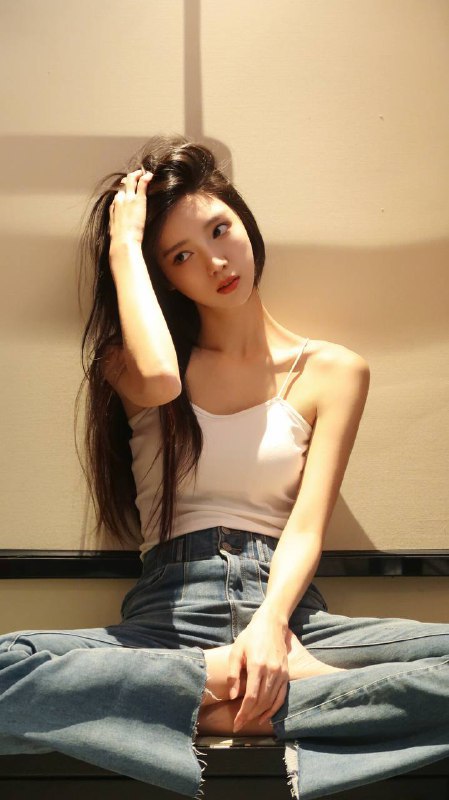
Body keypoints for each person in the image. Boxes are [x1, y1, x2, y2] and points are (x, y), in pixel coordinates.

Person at [0, 134, 448, 800]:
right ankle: (237, 689)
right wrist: (123, 246)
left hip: (293, 622)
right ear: (162, 277)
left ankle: (220, 703)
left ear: (245, 222)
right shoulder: (132, 364)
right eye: (180, 256)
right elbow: (161, 379)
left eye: (219, 230)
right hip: (168, 623)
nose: (215, 261)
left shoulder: (334, 371)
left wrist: (269, 629)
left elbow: (306, 526)